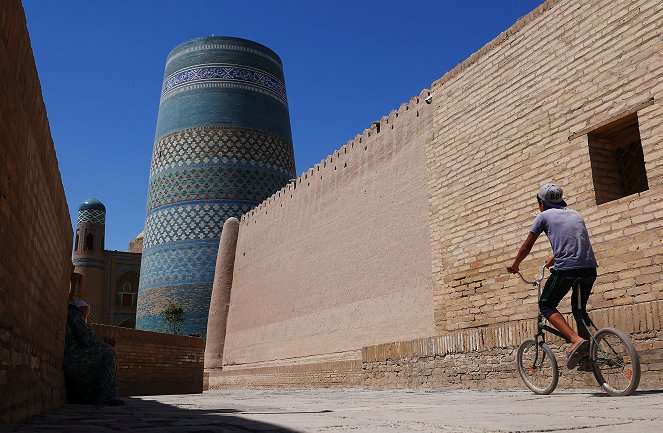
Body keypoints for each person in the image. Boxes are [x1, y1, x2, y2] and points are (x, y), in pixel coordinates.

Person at [507, 183, 598, 370]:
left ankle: (575, 340)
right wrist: (554, 257)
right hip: (589, 268)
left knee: (546, 305)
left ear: (542, 203)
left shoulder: (544, 216)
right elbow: (575, 241)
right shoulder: (575, 214)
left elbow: (527, 246)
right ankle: (587, 355)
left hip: (566, 270)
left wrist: (515, 264)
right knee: (579, 310)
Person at [63, 300, 122, 404]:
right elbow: (87, 338)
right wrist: (105, 343)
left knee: (107, 351)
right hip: (73, 357)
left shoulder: (72, 313)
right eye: (85, 312)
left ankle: (98, 396)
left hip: (71, 355)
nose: (85, 316)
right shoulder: (74, 314)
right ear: (80, 309)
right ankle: (105, 397)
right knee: (109, 353)